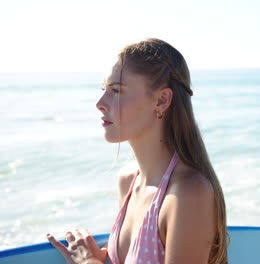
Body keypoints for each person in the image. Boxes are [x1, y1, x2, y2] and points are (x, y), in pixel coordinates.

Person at [46, 38, 228, 264]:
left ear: (161, 100)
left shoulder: (188, 193)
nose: (100, 102)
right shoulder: (128, 181)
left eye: (116, 90)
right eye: (104, 89)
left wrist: (88, 262)